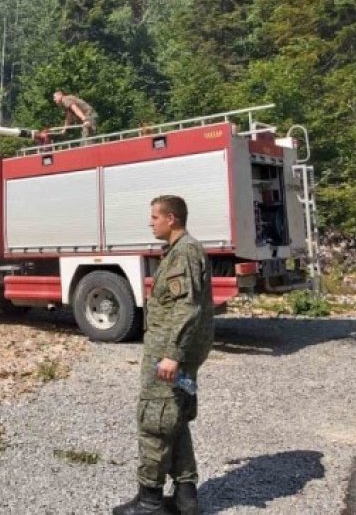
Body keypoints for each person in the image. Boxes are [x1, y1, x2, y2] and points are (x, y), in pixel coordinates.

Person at [113, 195, 214, 515]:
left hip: (169, 354)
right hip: (179, 352)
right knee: (176, 418)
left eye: (155, 217)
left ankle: (149, 500)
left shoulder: (183, 253)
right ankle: (186, 497)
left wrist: (172, 354)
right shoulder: (183, 251)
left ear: (171, 219)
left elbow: (187, 307)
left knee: (154, 420)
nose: (150, 222)